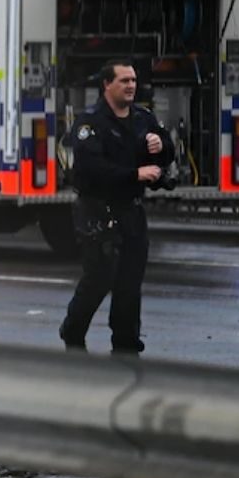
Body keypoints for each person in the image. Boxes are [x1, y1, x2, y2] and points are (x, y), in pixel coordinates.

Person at [60, 60, 173, 356]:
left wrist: (160, 145)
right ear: (107, 85)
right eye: (124, 81)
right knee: (99, 278)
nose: (131, 86)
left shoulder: (143, 118)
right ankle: (73, 331)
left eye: (133, 80)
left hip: (131, 211)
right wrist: (134, 175)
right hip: (98, 210)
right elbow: (92, 168)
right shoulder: (90, 123)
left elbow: (167, 151)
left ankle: (126, 343)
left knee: (129, 282)